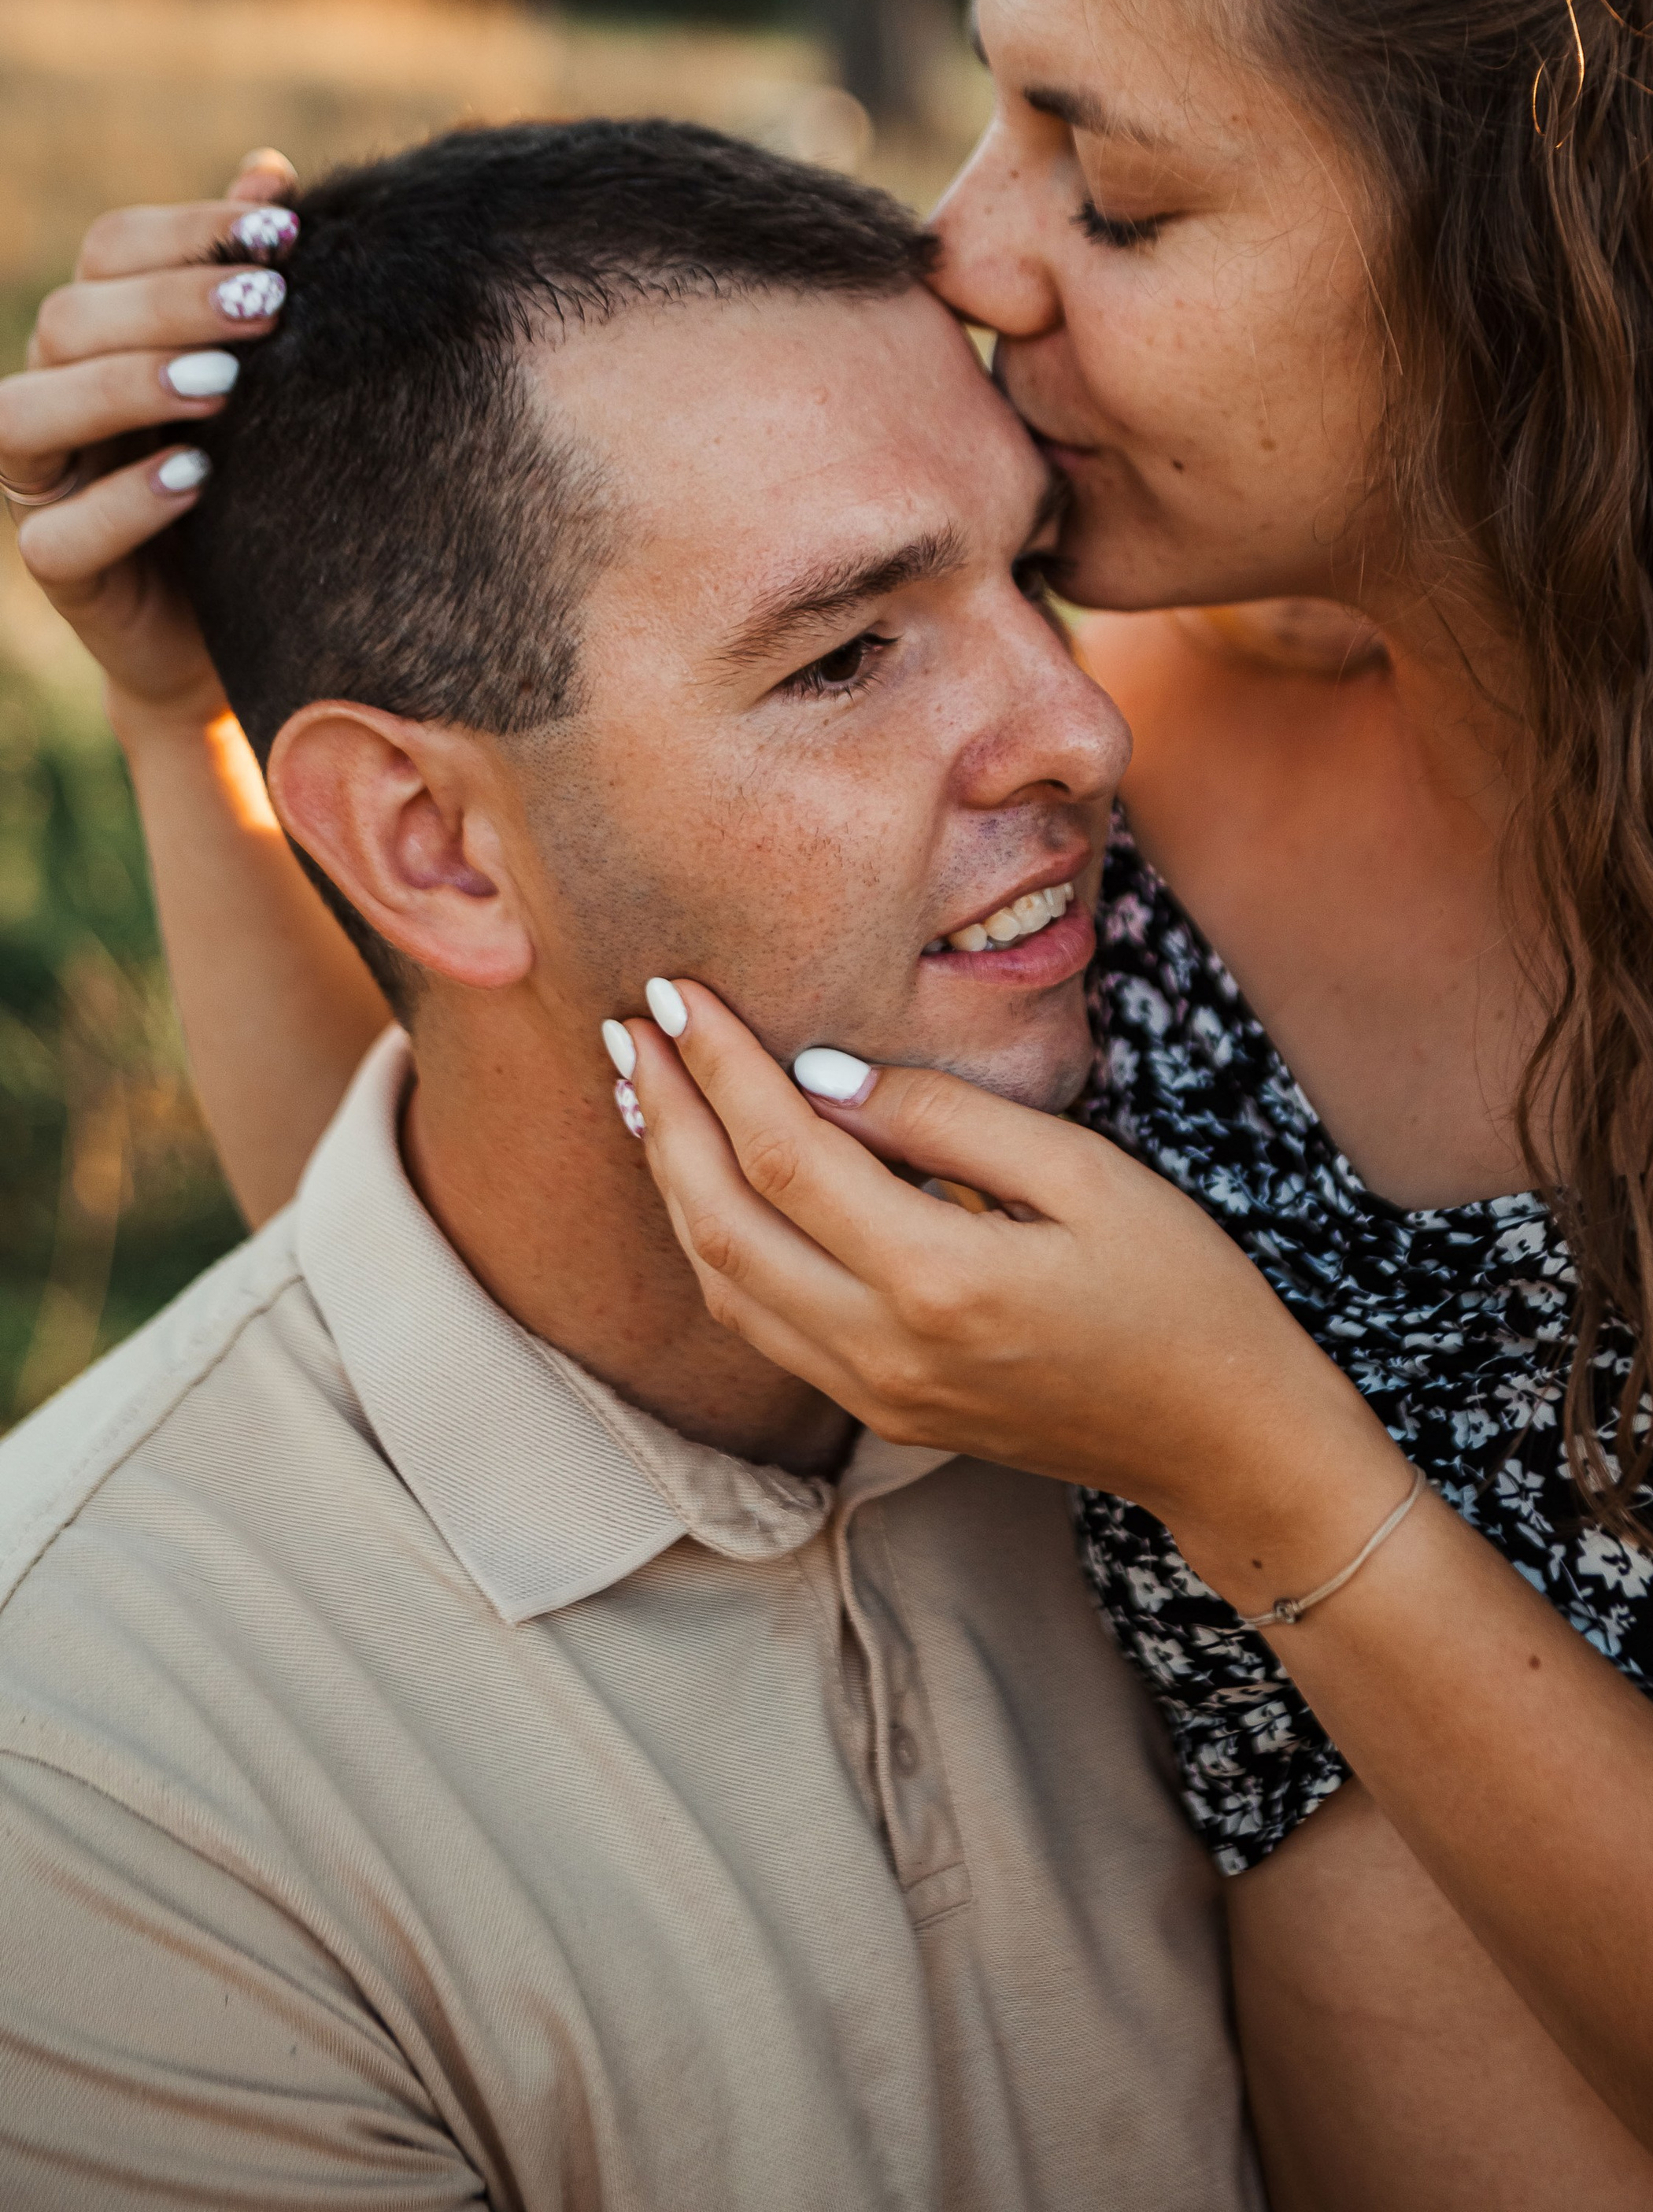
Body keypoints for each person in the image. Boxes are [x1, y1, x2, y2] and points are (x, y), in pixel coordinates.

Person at [9, 0, 1653, 2211]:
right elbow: (526, 1244)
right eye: (994, 106)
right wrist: (189, 716)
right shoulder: (1059, 715)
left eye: (1117, 180)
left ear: (1550, 260)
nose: (971, 249)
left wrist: (1272, 1484)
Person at [0, 120, 1259, 2210]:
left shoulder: (1198, 1257)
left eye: (1027, 574)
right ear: (427, 845)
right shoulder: (96, 1770)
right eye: (847, 655)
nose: (1078, 733)